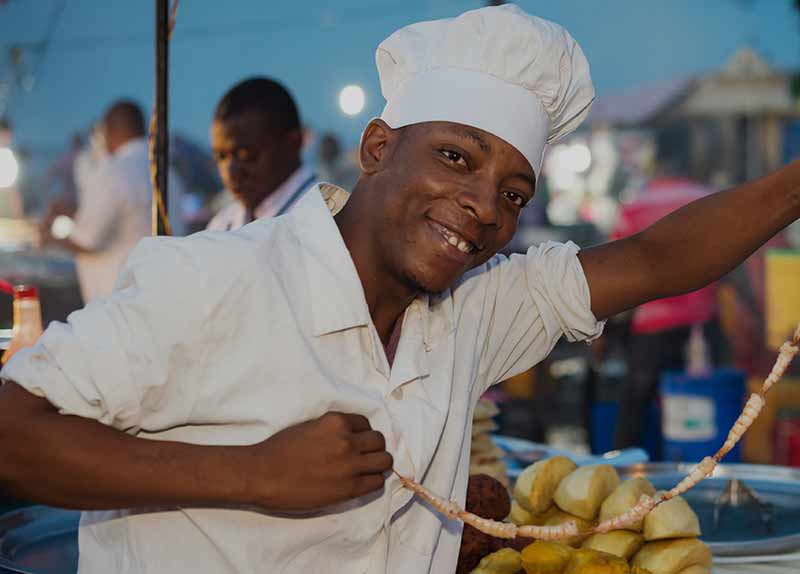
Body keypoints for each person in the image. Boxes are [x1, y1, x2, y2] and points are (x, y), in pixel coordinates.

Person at [0, 5, 798, 573]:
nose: (485, 206)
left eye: (514, 193)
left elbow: (659, 259)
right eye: (457, 157)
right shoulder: (220, 278)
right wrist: (251, 473)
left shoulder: (472, 315)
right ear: (377, 148)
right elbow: (13, 433)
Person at [41, 100, 185, 303]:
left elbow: (87, 239)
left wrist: (49, 238)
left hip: (119, 304)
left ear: (108, 131)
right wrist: (75, 211)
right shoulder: (168, 174)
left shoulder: (114, 171)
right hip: (162, 294)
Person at [206, 77, 316, 231]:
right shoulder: (222, 225)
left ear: (293, 143)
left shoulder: (327, 222)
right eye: (220, 157)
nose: (231, 172)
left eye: (245, 154)